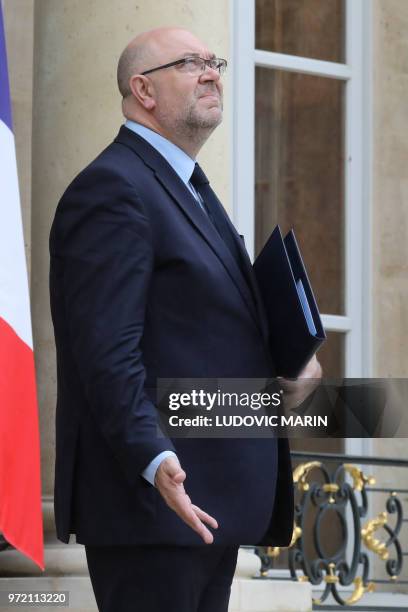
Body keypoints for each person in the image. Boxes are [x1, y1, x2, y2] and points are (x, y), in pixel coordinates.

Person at [49, 26, 321, 612]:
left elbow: (208, 325)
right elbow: (105, 350)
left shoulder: (189, 187)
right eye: (190, 64)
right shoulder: (112, 188)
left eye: (214, 61)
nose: (211, 73)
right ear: (143, 89)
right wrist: (153, 458)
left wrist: (295, 356)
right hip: (152, 502)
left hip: (205, 501)